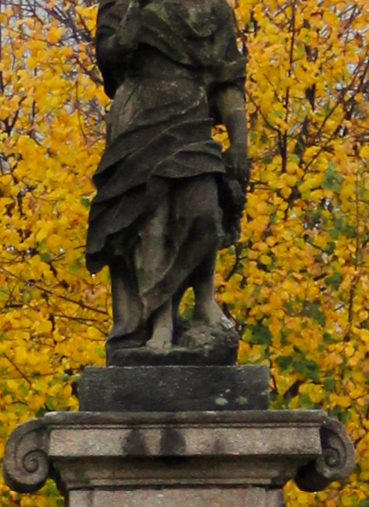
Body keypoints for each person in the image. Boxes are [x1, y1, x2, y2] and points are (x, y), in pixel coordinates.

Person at [85, 0, 251, 360]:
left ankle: (203, 299)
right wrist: (129, 26)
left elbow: (227, 81)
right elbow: (110, 62)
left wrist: (239, 141)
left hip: (192, 118)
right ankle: (158, 321)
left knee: (204, 212)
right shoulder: (122, 3)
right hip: (140, 116)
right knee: (150, 224)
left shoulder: (214, 9)